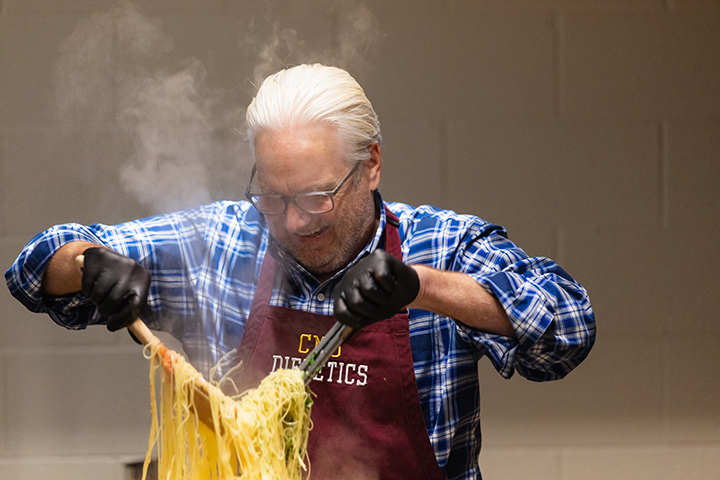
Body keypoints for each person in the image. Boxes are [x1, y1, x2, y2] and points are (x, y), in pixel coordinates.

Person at [5, 63, 595, 480]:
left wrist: (421, 286)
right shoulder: (227, 241)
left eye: (316, 195)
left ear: (371, 165)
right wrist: (84, 265)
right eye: (272, 195)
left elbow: (568, 327)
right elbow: (35, 265)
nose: (293, 220)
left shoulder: (442, 244)